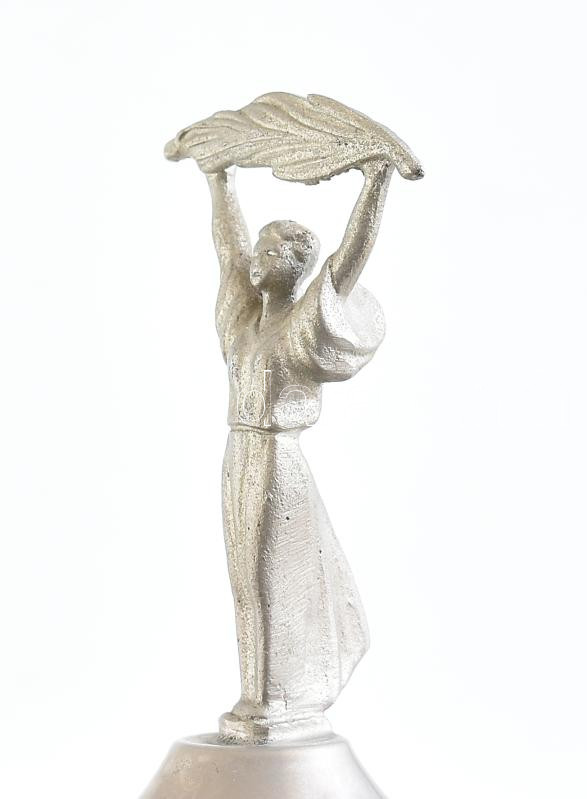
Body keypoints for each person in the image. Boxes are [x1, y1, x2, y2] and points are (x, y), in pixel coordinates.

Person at [204, 158, 394, 743]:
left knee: (268, 578)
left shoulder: (301, 324)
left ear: (293, 265)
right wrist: (219, 180)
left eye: (269, 251)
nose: (255, 260)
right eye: (258, 250)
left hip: (275, 460)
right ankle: (258, 694)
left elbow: (345, 264)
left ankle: (275, 698)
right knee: (243, 578)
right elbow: (228, 251)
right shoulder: (243, 323)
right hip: (239, 452)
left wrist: (375, 183)